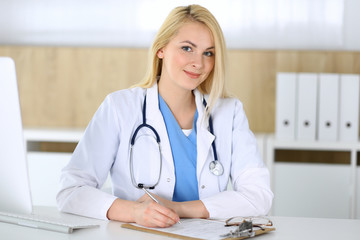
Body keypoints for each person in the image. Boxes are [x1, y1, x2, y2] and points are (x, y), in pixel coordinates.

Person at [57, 4, 273, 228]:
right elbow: (71, 191)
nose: (198, 63)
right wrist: (135, 211)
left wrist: (178, 208)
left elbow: (258, 195)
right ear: (161, 48)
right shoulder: (119, 107)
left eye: (208, 53)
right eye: (187, 48)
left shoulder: (229, 112)